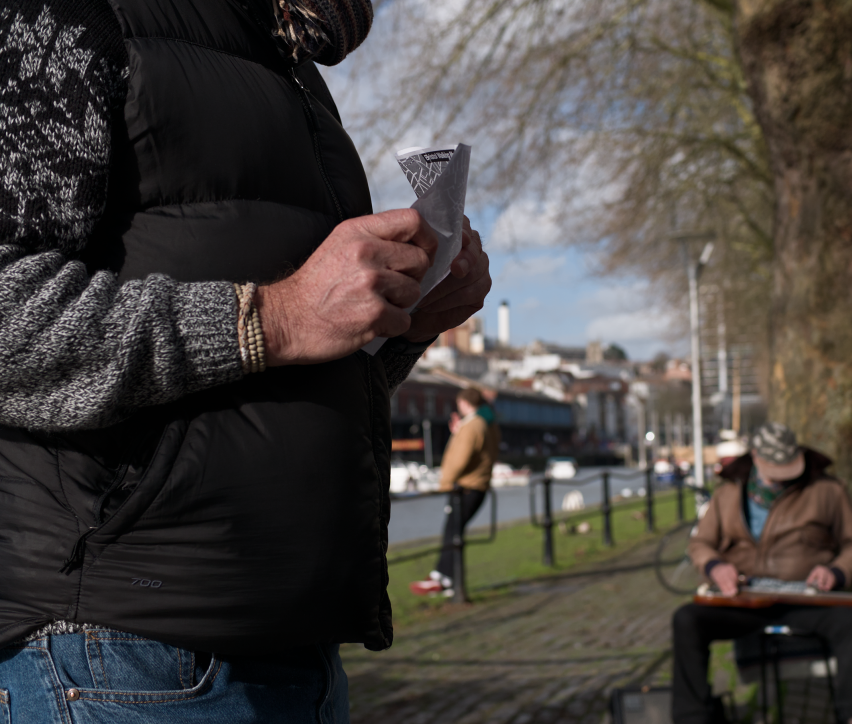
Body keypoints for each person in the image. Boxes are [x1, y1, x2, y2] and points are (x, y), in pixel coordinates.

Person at [0, 1, 491, 721]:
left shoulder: (287, 62)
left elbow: (269, 377)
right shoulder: (74, 14)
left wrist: (401, 324)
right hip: (127, 650)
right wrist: (277, 315)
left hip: (296, 643)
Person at [673, 422, 852, 724]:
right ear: (755, 457)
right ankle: (692, 718)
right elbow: (701, 543)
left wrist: (836, 572)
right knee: (686, 620)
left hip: (808, 599)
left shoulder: (827, 490)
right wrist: (716, 567)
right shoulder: (728, 493)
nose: (783, 479)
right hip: (743, 600)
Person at [411, 387, 500, 596]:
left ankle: (445, 579)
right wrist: (459, 431)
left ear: (464, 403)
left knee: (452, 532)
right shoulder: (488, 422)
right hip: (478, 486)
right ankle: (444, 577)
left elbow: (460, 457)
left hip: (465, 488)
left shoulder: (473, 426)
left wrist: (445, 483)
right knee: (454, 532)